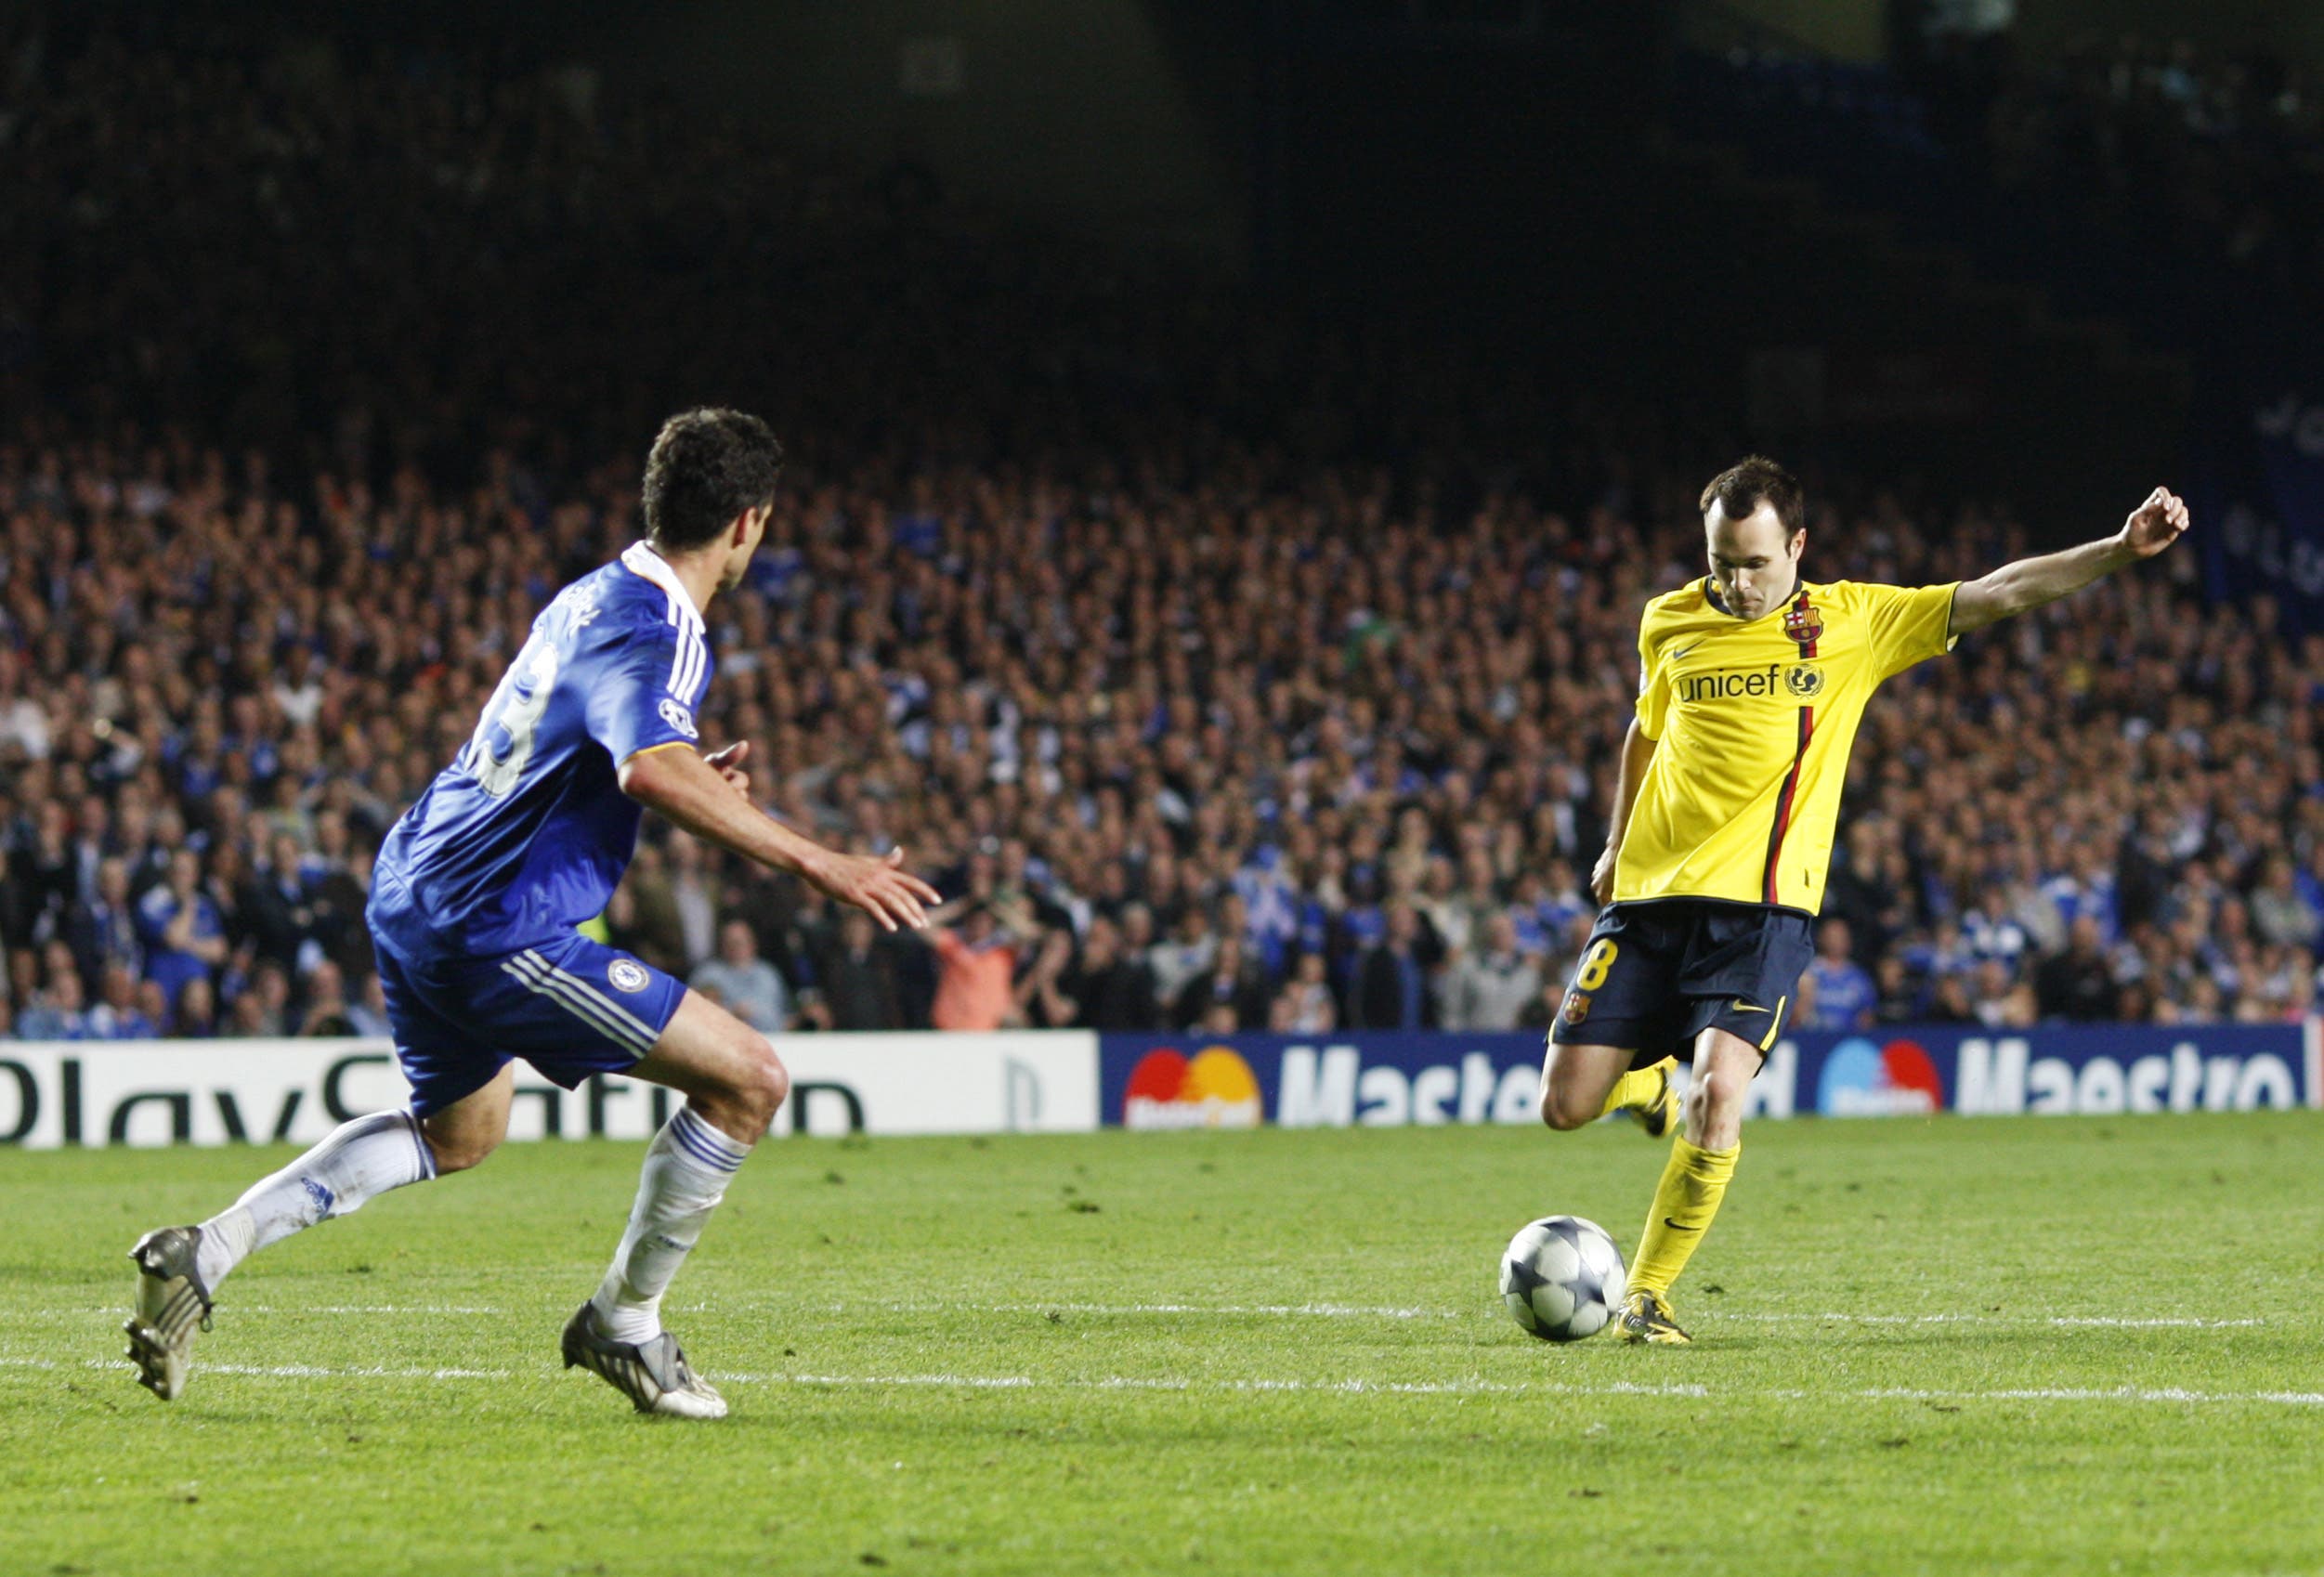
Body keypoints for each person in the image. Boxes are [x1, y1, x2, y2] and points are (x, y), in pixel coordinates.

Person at [124, 410, 939, 1419]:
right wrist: (821, 861)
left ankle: (209, 1247)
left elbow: (593, 754)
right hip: (494, 926)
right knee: (751, 1080)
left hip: (413, 887)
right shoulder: (664, 627)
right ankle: (624, 1325)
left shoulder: (592, 595)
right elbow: (647, 768)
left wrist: (685, 776)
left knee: (460, 1132)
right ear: (748, 524)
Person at [1537, 457, 2189, 1345]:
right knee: (1565, 1105)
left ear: (1797, 545)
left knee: (1719, 1095)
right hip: (1650, 899)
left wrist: (2118, 549)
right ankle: (1646, 1087)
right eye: (1722, 561)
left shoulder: (1853, 621)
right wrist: (1616, 842)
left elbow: (1999, 593)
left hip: (1762, 910)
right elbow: (1645, 732)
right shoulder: (1670, 622)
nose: (1736, 582)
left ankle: (1647, 1297)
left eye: (1756, 562)